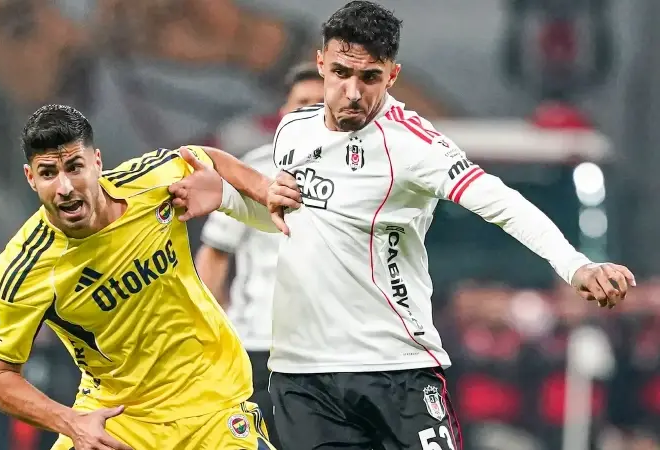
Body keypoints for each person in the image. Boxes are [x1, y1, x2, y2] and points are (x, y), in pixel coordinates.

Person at [168, 1, 636, 449]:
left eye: (370, 77)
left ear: (392, 75)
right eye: (341, 73)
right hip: (302, 374)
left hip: (393, 367)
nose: (353, 91)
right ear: (321, 63)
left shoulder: (414, 145)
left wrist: (575, 265)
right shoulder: (293, 133)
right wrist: (226, 197)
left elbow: (502, 204)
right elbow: (299, 218)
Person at [0, 104, 277, 450]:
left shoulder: (149, 182)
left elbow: (204, 156)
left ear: (97, 162)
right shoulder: (25, 268)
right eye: (48, 173)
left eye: (75, 167)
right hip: (119, 419)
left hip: (210, 402)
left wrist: (265, 188)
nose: (65, 187)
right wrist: (72, 422)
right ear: (31, 178)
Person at [195, 62, 324, 448]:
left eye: (320, 105)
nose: (309, 113)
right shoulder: (254, 169)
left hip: (329, 349)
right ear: (283, 113)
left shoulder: (359, 173)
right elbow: (216, 252)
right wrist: (211, 328)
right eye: (301, 103)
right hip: (259, 343)